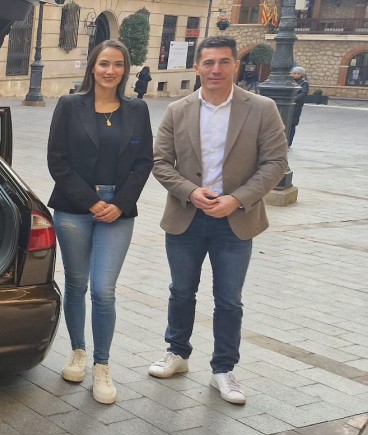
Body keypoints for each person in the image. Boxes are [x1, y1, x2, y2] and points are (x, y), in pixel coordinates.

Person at [148, 36, 288, 405]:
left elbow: (276, 163)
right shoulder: (177, 110)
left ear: (235, 66)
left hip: (235, 221)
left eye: (224, 62)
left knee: (228, 300)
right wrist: (190, 191)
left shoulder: (262, 108)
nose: (215, 70)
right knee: (181, 292)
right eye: (208, 63)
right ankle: (177, 353)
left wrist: (237, 199)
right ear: (197, 67)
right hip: (186, 218)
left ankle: (223, 369)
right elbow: (160, 162)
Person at [47, 40, 154, 404]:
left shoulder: (137, 109)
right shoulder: (69, 105)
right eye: (104, 63)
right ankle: (77, 350)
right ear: (92, 66)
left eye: (118, 64)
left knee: (103, 289)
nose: (111, 70)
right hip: (75, 207)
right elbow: (57, 161)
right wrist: (92, 202)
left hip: (118, 210)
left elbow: (143, 163)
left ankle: (102, 365)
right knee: (76, 284)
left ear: (126, 69)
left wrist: (119, 203)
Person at [289, 66, 309, 145]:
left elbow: (303, 93)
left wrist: (294, 99)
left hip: (296, 106)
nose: (296, 75)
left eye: (298, 74)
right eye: (294, 73)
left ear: (302, 75)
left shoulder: (304, 83)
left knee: (292, 123)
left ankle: (289, 141)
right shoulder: (290, 82)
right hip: (289, 104)